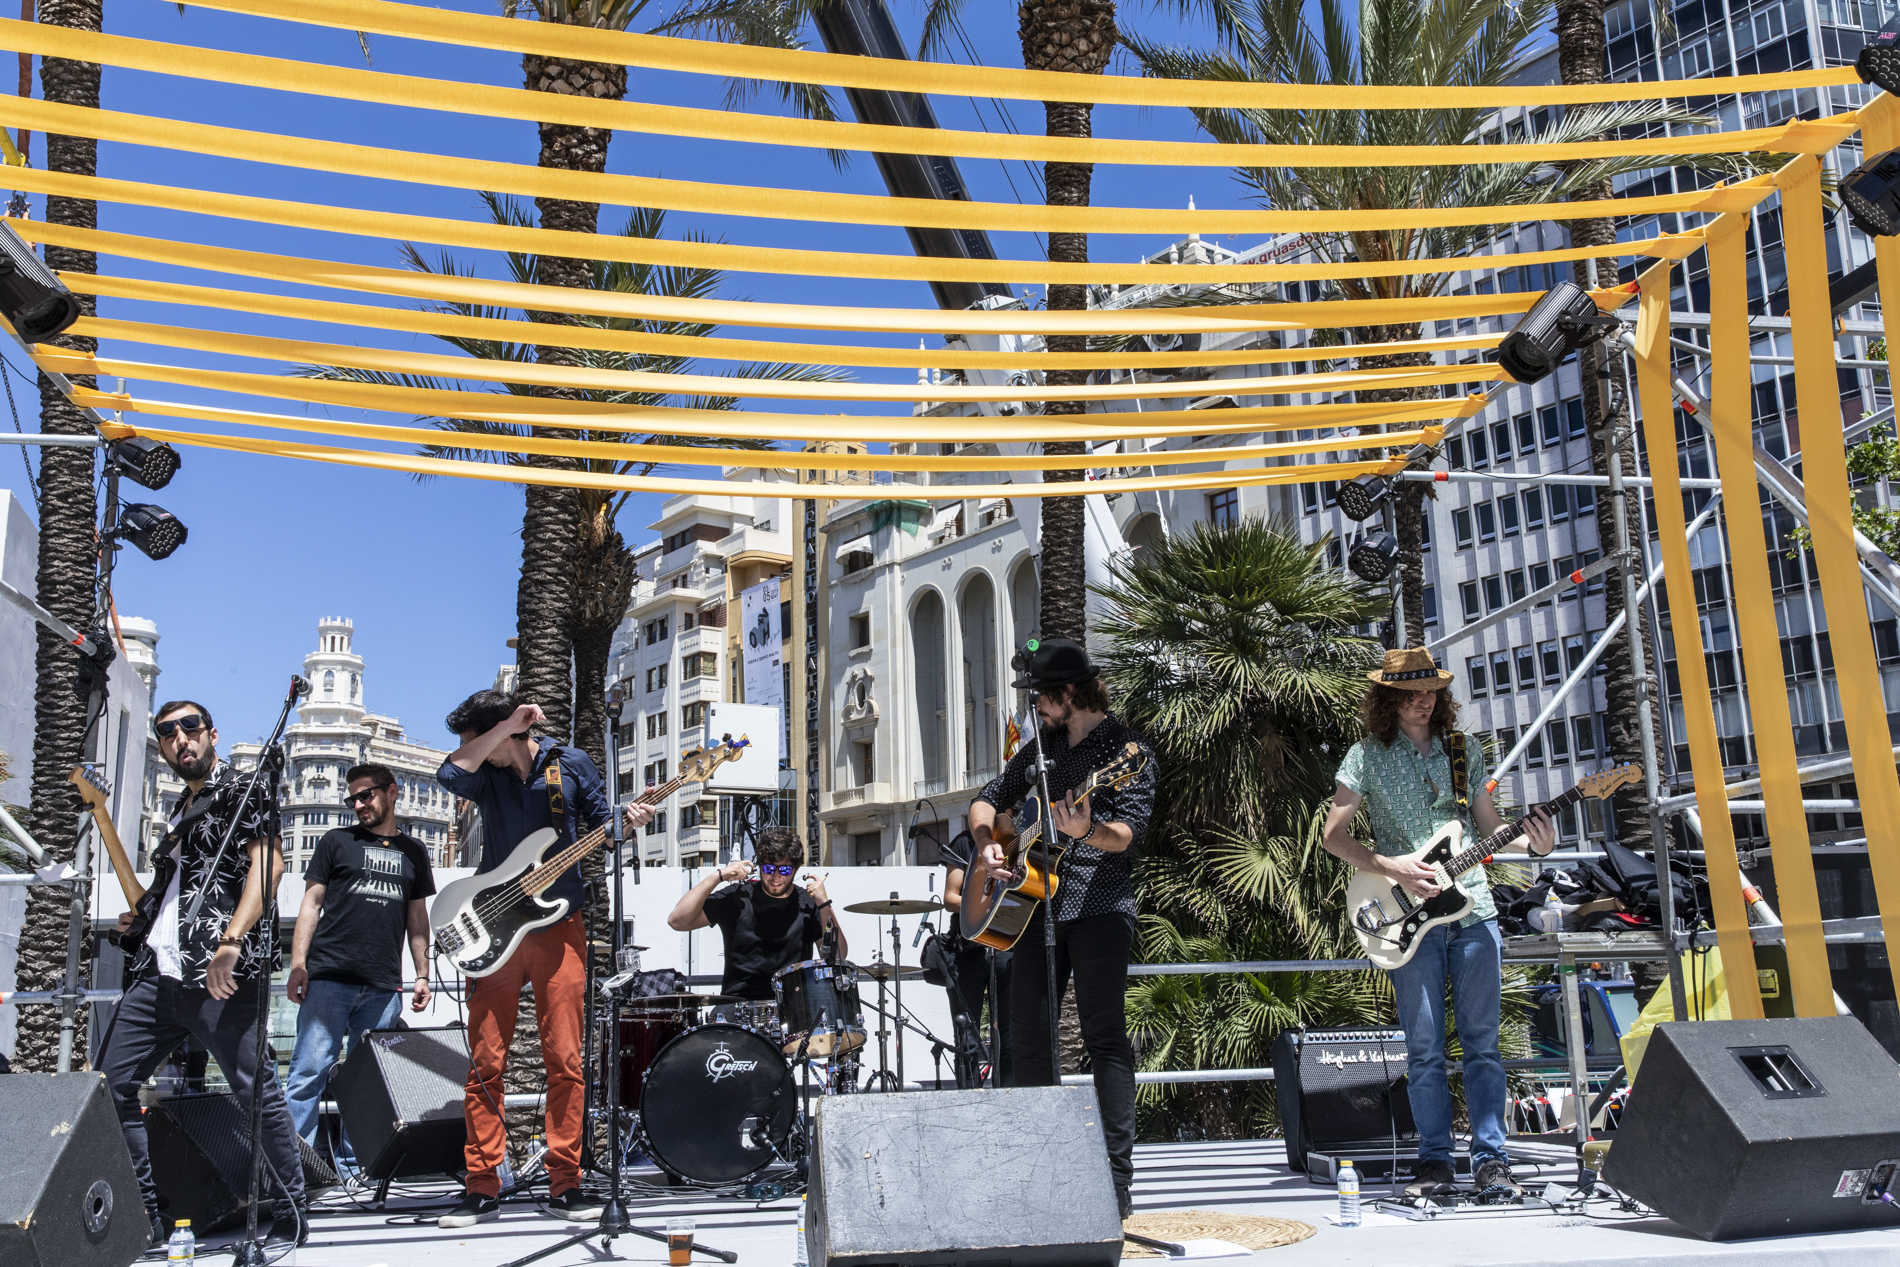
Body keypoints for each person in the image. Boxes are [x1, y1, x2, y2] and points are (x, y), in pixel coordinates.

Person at [1321, 647, 1555, 1200]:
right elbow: (1333, 837)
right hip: (1407, 917)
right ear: (1389, 698)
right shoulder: (1365, 756)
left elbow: (1494, 830)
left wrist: (1537, 845)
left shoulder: (1461, 750)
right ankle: (1434, 1161)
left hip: (1474, 911)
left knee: (1483, 1045)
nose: (1423, 700)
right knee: (1423, 1048)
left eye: (1430, 691)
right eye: (1410, 692)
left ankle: (1491, 1159)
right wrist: (1391, 867)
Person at [434, 691, 653, 1228]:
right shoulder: (484, 774)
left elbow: (608, 827)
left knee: (566, 1062)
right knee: (486, 1063)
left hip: (560, 929)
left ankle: (565, 1184)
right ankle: (482, 1186)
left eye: (479, 738)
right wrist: (503, 727)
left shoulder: (570, 763)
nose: (475, 750)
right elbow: (449, 774)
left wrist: (632, 819)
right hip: (493, 929)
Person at [98, 699, 307, 1249]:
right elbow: (180, 888)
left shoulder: (244, 789)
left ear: (212, 735)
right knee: (110, 1086)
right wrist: (145, 916)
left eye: (190, 728)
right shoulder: (176, 813)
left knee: (253, 1088)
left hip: (215, 970)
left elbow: (269, 867)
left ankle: (292, 1204)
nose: (179, 739)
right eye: (167, 732)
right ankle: (147, 1214)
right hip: (157, 972)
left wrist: (231, 941)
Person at [971, 637, 1155, 1220]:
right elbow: (987, 800)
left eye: (1041, 699)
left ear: (1069, 693)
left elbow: (1126, 834)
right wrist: (988, 849)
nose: (1035, 709)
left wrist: (1085, 831)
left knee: (1105, 1038)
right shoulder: (1042, 751)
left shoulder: (1129, 752)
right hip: (1034, 908)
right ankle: (1033, 1166)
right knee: (1028, 1037)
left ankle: (1116, 1178)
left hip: (1101, 904)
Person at [283, 762, 435, 1175]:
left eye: (366, 795)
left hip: (383, 985)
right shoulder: (336, 841)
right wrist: (298, 964)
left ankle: (361, 1171)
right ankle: (296, 1175)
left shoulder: (415, 852)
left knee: (369, 1084)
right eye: (352, 799)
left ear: (392, 792)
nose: (358, 804)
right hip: (329, 978)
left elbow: (417, 919)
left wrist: (422, 974)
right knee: (307, 1075)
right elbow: (310, 904)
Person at [667, 826, 846, 1001]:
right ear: (759, 866)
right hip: (737, 1004)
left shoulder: (807, 902)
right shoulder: (738, 896)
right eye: (768, 869)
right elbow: (678, 921)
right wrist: (719, 876)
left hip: (793, 1008)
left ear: (796, 870)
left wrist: (824, 903)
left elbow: (838, 956)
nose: (776, 877)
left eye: (784, 870)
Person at [938, 828, 1009, 1088]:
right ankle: (969, 1097)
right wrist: (989, 904)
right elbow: (950, 897)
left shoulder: (1015, 838)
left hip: (1005, 943)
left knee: (1009, 1031)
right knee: (966, 1031)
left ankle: (1011, 1098)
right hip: (967, 947)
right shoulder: (965, 842)